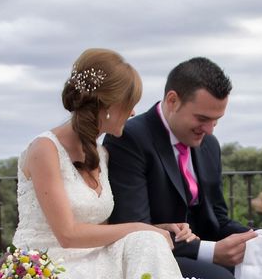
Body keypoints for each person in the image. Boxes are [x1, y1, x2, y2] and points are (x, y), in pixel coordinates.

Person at [104, 57, 262, 279]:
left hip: (210, 254)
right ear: (172, 101)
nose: (209, 130)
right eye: (202, 119)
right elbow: (135, 229)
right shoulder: (129, 138)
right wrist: (211, 252)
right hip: (160, 256)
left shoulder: (209, 145)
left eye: (216, 121)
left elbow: (217, 218)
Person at [12, 48, 185, 279]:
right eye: (129, 103)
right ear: (108, 106)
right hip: (48, 263)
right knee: (145, 235)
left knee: (149, 242)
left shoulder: (101, 154)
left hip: (95, 259)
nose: (133, 112)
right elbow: (67, 234)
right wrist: (141, 227)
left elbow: (101, 230)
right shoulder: (45, 149)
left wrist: (154, 230)